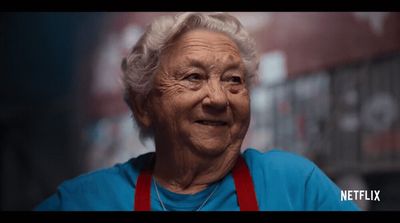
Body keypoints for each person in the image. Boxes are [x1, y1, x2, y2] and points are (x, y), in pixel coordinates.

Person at [35, 12, 360, 211]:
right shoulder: (90, 200)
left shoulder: (296, 186)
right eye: (193, 77)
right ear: (144, 105)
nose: (219, 98)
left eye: (234, 80)